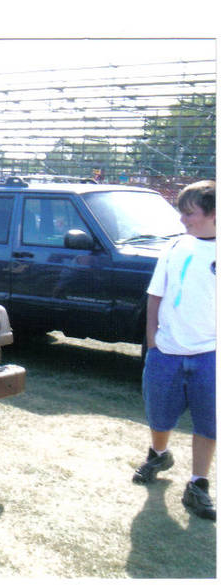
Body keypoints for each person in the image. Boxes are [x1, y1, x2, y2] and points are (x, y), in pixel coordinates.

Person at [132, 179, 216, 521]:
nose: (183, 219)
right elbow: (156, 295)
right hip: (166, 352)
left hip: (210, 355)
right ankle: (159, 453)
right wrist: (153, 338)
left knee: (209, 424)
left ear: (213, 213)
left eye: (190, 212)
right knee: (159, 416)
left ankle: (199, 483)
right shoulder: (174, 248)